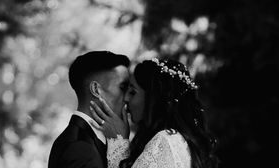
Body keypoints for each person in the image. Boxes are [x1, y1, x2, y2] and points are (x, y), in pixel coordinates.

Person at [89, 57, 218, 168]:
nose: (126, 98)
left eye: (133, 92)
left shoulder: (165, 141)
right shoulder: (177, 140)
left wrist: (118, 144)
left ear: (154, 98)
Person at [48, 50, 131, 168]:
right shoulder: (78, 147)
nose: (128, 97)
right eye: (123, 87)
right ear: (96, 89)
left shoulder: (99, 139)